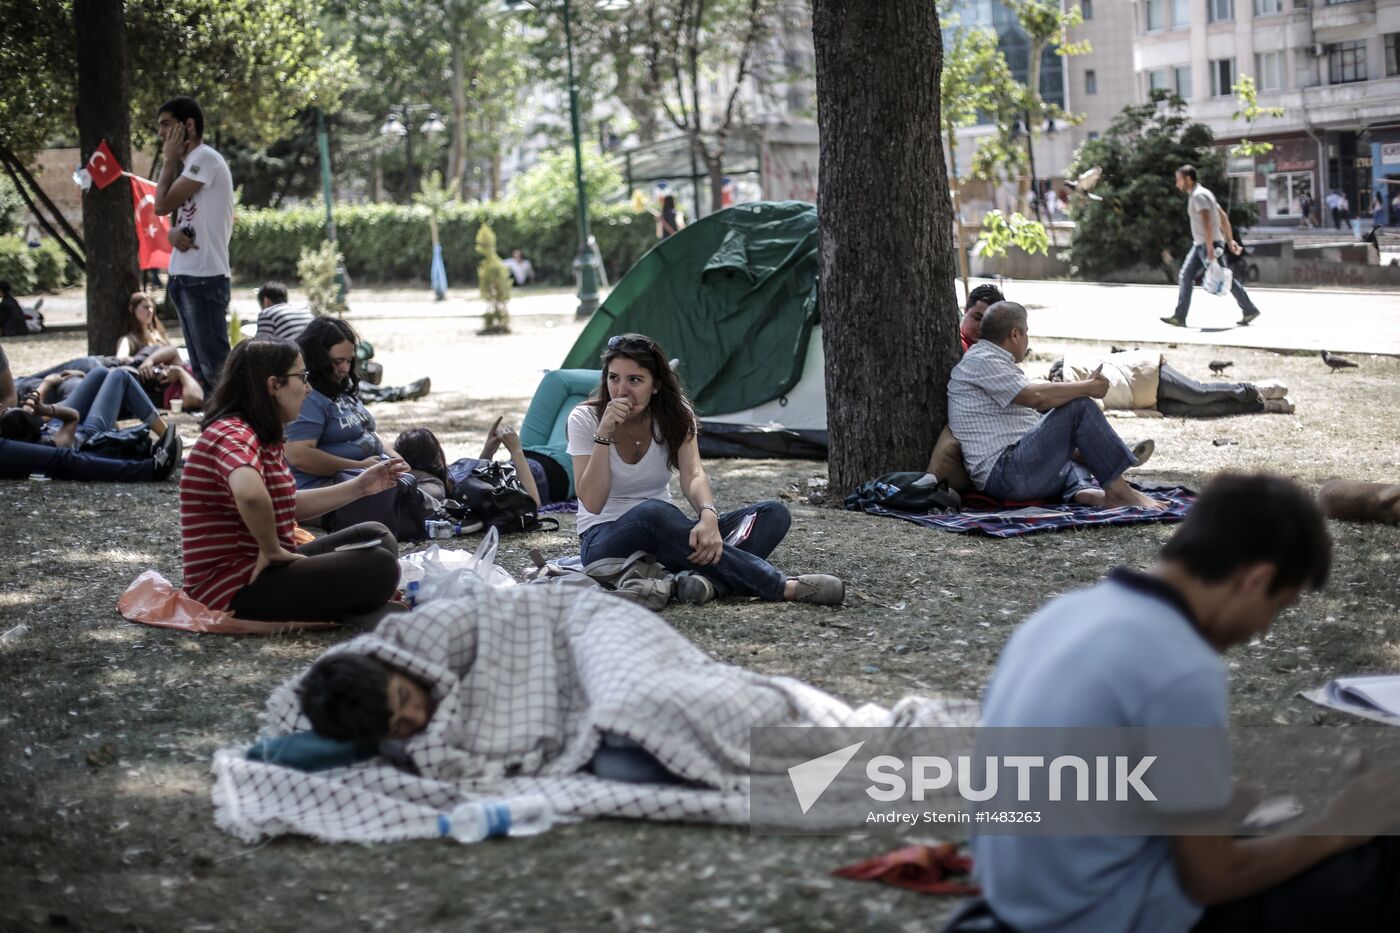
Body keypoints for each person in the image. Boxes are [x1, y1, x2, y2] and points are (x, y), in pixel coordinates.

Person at [969, 472, 1400, 932]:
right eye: (1278, 608)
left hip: (1019, 898)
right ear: (1256, 580)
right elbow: (1212, 879)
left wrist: (1204, 800)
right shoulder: (1180, 666)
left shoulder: (1064, 613)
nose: (1263, 631)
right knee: (1379, 858)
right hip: (1096, 916)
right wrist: (1340, 828)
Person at [566, 333, 844, 606]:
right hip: (603, 540)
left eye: (634, 380)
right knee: (654, 512)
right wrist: (603, 434)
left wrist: (708, 516)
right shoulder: (586, 419)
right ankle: (781, 586)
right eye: (613, 378)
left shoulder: (675, 414)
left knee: (772, 514)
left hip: (668, 532)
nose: (621, 390)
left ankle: (706, 584)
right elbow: (592, 502)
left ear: (656, 385)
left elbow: (693, 473)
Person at [178, 337, 405, 624]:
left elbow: (285, 505)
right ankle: (351, 610)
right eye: (302, 377)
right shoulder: (233, 434)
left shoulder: (261, 432)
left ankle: (350, 607)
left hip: (262, 569)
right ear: (274, 385)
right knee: (380, 567)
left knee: (377, 536)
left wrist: (361, 486)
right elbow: (249, 494)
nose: (309, 388)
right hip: (235, 586)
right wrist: (271, 549)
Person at [949, 301, 1163, 510]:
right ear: (1015, 334)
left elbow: (1037, 403)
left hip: (1015, 473)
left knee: (1079, 442)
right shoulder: (982, 360)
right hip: (1005, 474)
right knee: (1079, 408)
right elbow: (1036, 397)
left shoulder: (992, 360)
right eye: (1026, 333)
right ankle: (1119, 493)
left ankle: (1084, 491)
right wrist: (1087, 387)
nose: (1027, 339)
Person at [286, 317, 417, 531]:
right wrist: (360, 468)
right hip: (332, 487)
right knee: (407, 495)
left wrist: (395, 458)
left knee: (422, 448)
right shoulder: (310, 397)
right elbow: (300, 456)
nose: (345, 368)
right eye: (338, 362)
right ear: (318, 359)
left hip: (368, 472)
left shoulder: (340, 386)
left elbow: (368, 433)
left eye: (349, 361)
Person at [152, 96, 234, 393]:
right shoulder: (189, 166)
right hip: (184, 276)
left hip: (205, 278)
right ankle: (217, 430)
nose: (161, 133)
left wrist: (169, 158)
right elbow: (181, 216)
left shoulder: (205, 158)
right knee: (201, 370)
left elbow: (160, 204)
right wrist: (172, 234)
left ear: (188, 125)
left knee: (216, 369)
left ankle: (235, 431)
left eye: (166, 125)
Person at [254, 282, 429, 404]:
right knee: (346, 386)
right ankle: (399, 391)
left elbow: (261, 349)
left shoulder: (267, 313)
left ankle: (398, 392)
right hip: (321, 355)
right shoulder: (301, 309)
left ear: (266, 301)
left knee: (341, 386)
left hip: (305, 363)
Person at [1, 366, 181, 465]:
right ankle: (167, 438)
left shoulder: (19, 430)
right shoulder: (53, 445)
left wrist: (48, 383)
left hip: (55, 423)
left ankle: (92, 381)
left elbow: (27, 409)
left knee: (99, 372)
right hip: (87, 433)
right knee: (120, 375)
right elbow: (73, 417)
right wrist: (46, 409)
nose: (4, 408)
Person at [1160, 165, 1261, 329]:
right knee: (1186, 276)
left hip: (1208, 244)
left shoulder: (1199, 196)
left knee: (1223, 278)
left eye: (1178, 179)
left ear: (1188, 179)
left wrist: (1210, 248)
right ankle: (1179, 317)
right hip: (1201, 245)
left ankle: (1249, 309)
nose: (1176, 183)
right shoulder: (1203, 193)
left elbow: (1208, 222)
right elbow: (1223, 217)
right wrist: (1229, 240)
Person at [394, 419, 542, 506]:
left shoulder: (440, 480)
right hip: (542, 471)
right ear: (437, 457)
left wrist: (487, 452)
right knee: (555, 380)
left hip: (525, 464)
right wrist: (516, 451)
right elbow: (532, 503)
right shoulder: (436, 486)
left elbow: (478, 480)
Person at [960, 284, 1005, 353]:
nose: (982, 326)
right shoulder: (955, 345)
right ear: (965, 311)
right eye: (977, 318)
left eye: (990, 323)